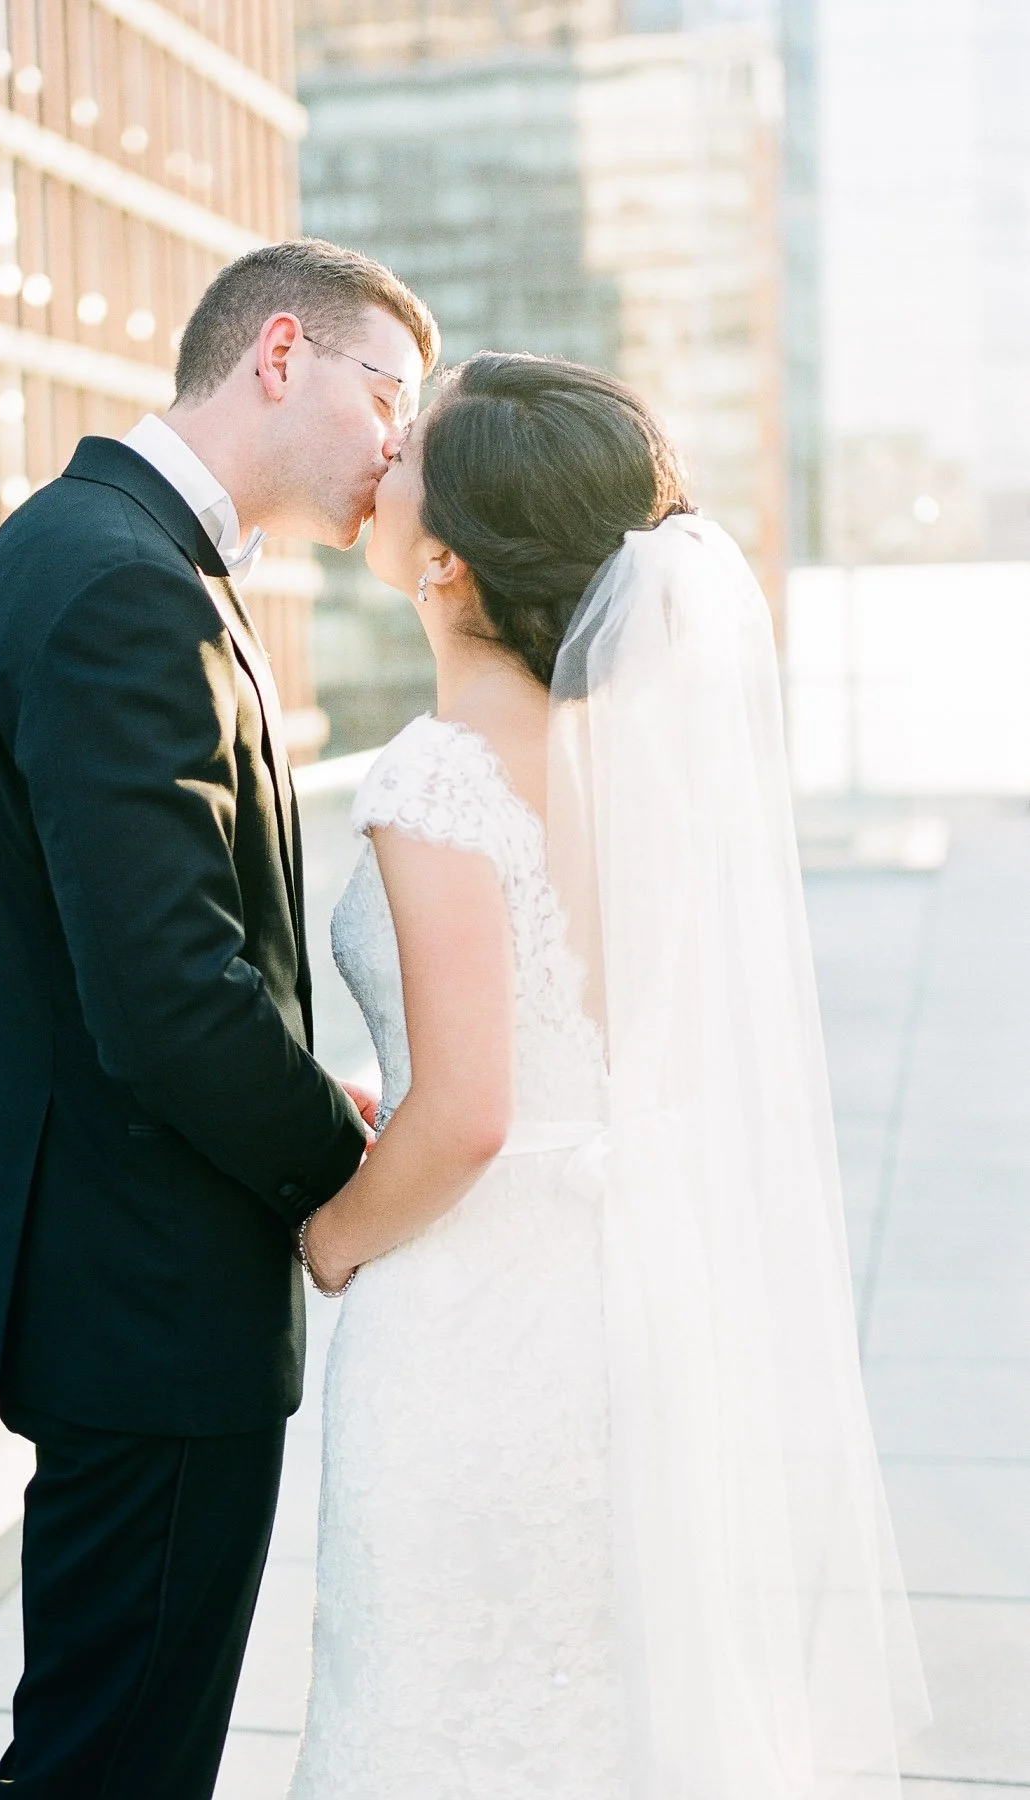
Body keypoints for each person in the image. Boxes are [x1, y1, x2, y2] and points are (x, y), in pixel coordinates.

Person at [291, 353, 930, 1799]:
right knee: (594, 1691)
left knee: (433, 1691)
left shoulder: (435, 775)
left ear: (443, 558)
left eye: (407, 455)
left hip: (471, 1317)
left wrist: (331, 1235)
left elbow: (465, 1115)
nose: (380, 457)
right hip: (628, 1299)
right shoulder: (635, 772)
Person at [0, 239, 438, 1799]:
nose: (397, 448)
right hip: (146, 1294)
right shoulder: (122, 591)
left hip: (108, 1271)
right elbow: (168, 996)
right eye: (385, 397)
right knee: (113, 1762)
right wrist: (339, 1177)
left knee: (103, 1737)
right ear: (278, 353)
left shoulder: (93, 552)